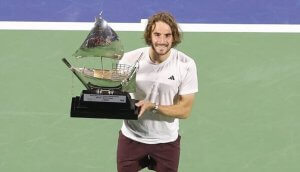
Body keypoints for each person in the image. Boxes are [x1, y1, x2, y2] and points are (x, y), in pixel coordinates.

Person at [117, 11, 198, 172]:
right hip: (132, 138)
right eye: (157, 34)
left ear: (174, 37)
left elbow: (185, 110)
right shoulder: (128, 60)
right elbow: (118, 95)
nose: (162, 41)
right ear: (149, 35)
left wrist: (152, 106)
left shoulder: (186, 65)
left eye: (167, 35)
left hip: (166, 142)